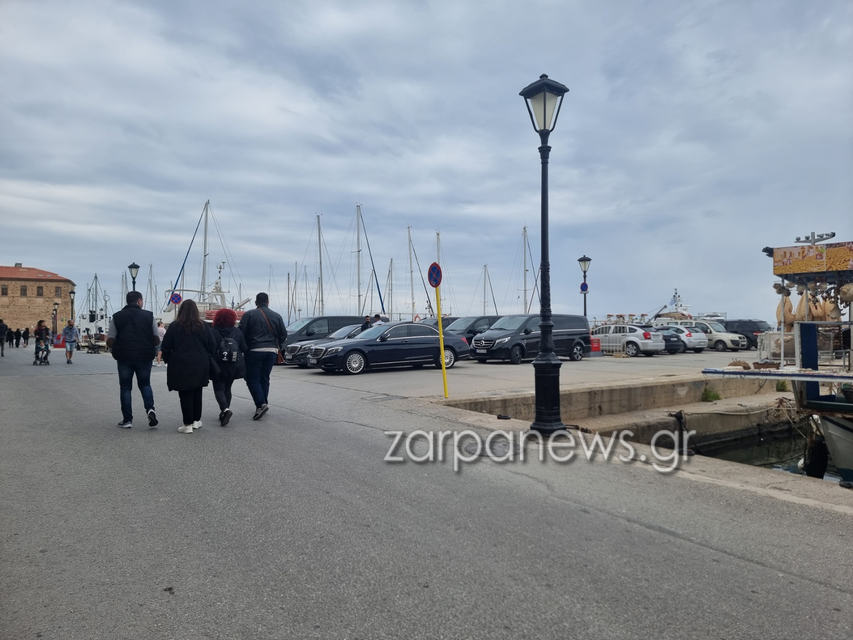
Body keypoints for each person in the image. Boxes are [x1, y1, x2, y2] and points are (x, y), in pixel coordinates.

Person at [161, 299, 220, 434]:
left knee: (185, 392)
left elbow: (166, 346)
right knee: (197, 391)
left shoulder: (175, 326)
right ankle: (196, 420)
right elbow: (212, 345)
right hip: (200, 362)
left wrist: (169, 360)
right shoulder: (203, 326)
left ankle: (187, 423)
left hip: (180, 362)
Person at [107, 291, 160, 429]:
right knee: (145, 384)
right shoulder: (149, 316)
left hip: (124, 357)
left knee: (125, 387)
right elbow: (156, 338)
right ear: (139, 301)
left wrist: (115, 353)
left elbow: (110, 340)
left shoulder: (117, 317)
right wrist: (154, 352)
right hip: (144, 356)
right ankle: (150, 409)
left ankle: (127, 420)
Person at [238, 292, 287, 421]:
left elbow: (241, 333)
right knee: (264, 377)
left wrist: (244, 348)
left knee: (252, 379)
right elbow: (283, 334)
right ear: (268, 302)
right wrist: (276, 345)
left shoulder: (249, 314)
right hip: (271, 351)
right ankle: (263, 403)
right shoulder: (277, 316)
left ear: (256, 302)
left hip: (254, 350)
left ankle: (261, 404)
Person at [211, 308, 247, 426]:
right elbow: (244, 348)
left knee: (218, 388)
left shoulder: (213, 331)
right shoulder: (237, 332)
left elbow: (209, 348)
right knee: (227, 388)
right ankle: (225, 411)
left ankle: (225, 409)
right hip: (233, 364)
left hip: (218, 364)